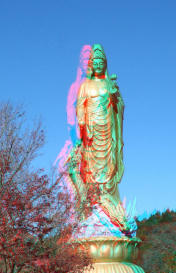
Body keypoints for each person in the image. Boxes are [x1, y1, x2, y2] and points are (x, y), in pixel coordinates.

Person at [69, 44, 134, 236]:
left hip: (107, 130)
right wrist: (83, 124)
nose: (97, 65)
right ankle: (92, 207)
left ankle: (109, 206)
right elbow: (80, 107)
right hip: (90, 131)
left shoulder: (108, 84)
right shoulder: (85, 86)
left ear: (105, 64)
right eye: (94, 62)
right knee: (90, 169)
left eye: (100, 62)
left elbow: (119, 107)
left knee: (108, 167)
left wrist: (115, 95)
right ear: (91, 65)